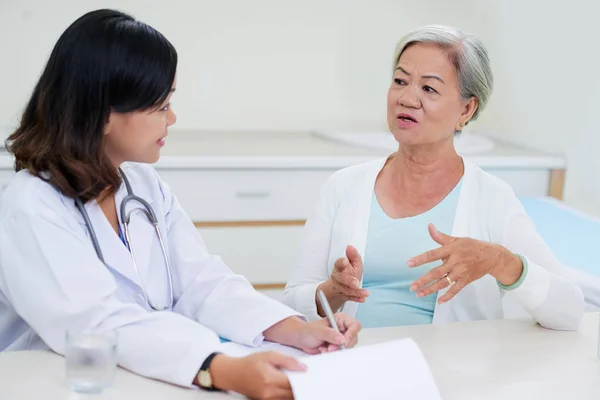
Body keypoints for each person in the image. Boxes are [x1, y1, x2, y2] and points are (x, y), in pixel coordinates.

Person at [0, 9, 360, 399]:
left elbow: (202, 282)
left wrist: (296, 330)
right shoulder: (31, 205)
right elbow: (97, 325)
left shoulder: (142, 185)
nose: (172, 117)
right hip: (52, 385)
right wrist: (218, 369)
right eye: (160, 106)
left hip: (142, 376)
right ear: (103, 115)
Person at [282, 24, 584, 331]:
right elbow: (291, 304)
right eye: (400, 81)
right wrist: (333, 292)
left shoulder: (492, 198)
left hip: (449, 373)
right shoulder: (343, 187)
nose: (407, 98)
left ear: (466, 109)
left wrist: (500, 261)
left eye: (429, 89)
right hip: (354, 362)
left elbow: (570, 312)